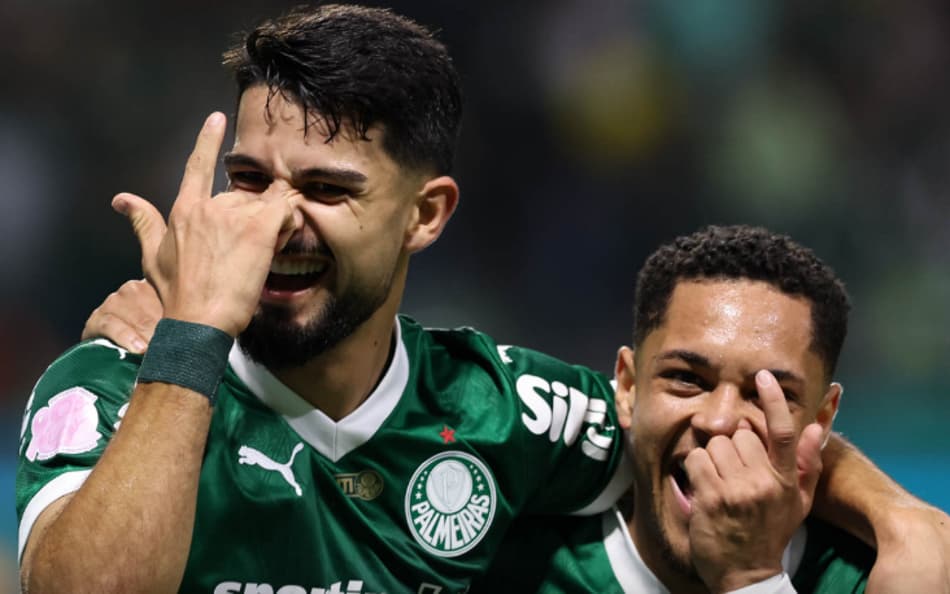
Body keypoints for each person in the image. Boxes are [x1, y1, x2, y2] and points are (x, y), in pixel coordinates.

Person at [15, 5, 950, 593]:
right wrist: (189, 342)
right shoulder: (115, 383)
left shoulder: (511, 412)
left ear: (426, 214)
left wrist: (904, 522)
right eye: (250, 181)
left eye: (329, 191)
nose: (273, 225)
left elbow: (708, 422)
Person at [475, 225, 878, 592]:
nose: (718, 421)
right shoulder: (498, 566)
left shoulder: (876, 580)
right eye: (687, 378)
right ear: (628, 387)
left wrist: (752, 577)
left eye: (765, 394)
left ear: (822, 419)